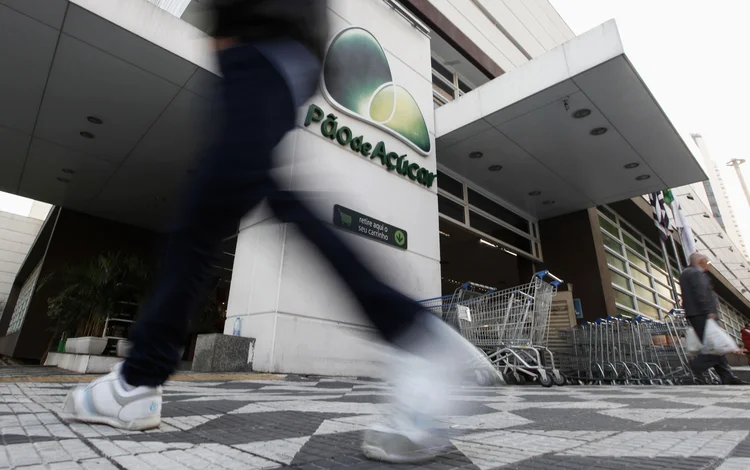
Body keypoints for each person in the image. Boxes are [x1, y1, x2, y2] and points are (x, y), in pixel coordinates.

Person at [62, 0, 500, 463]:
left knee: (202, 219)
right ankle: (413, 334)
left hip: (260, 42)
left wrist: (229, 23)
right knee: (244, 204)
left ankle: (416, 337)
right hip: (282, 51)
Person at [679, 252, 745, 385]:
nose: (708, 265)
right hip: (702, 314)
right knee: (714, 348)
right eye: (707, 262)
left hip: (695, 313)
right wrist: (709, 311)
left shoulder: (685, 273)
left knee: (715, 344)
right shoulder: (696, 273)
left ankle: (727, 375)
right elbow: (702, 292)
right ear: (701, 261)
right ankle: (694, 366)